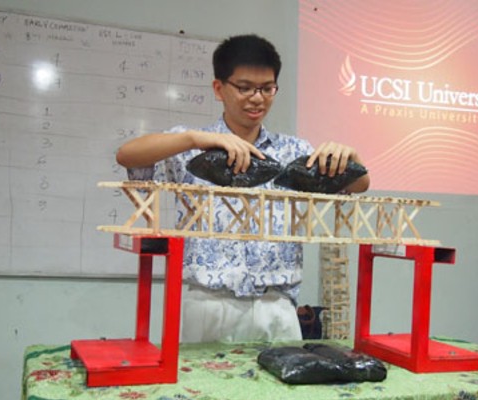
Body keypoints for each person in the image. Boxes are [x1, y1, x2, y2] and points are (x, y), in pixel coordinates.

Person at [116, 34, 370, 343]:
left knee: (280, 391)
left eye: (267, 88)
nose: (257, 98)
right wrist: (194, 139)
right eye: (245, 87)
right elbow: (127, 155)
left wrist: (350, 157)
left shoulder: (294, 150)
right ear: (219, 88)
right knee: (205, 389)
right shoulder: (191, 146)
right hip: (208, 303)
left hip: (277, 306)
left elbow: (359, 184)